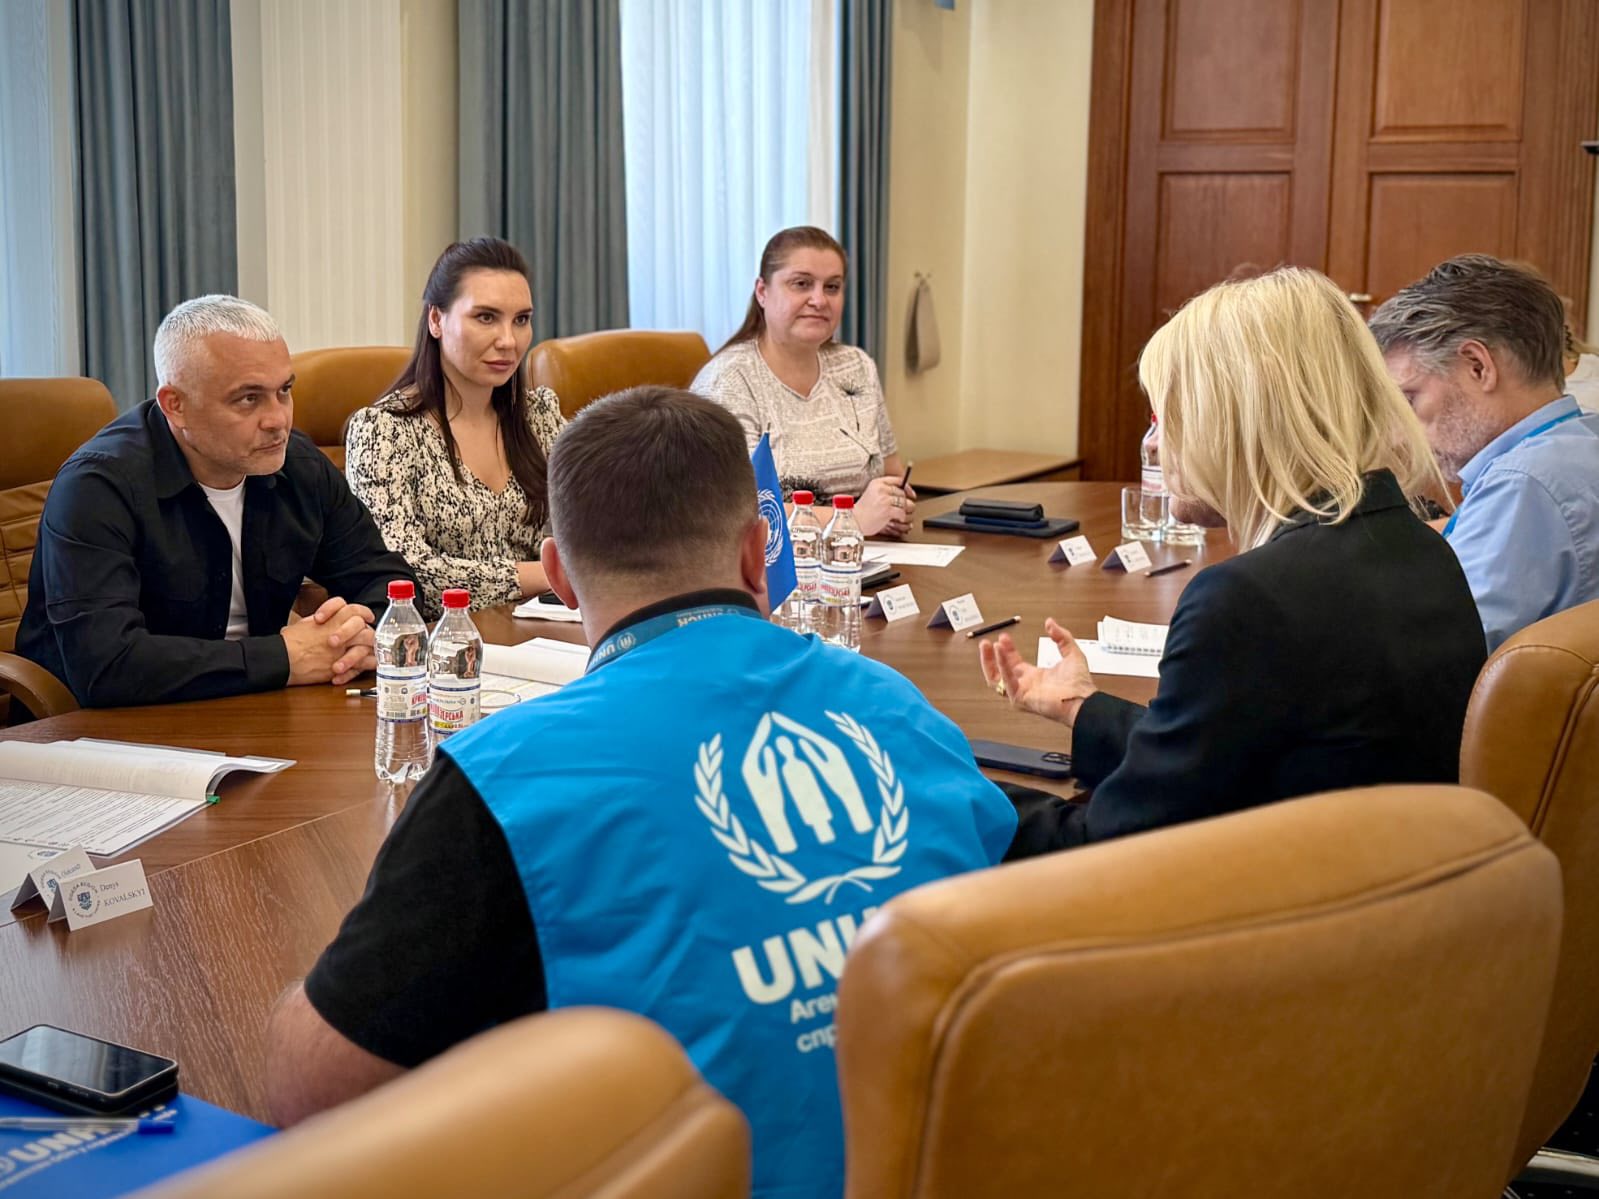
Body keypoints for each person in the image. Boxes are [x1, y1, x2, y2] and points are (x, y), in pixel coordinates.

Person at [264, 388, 1017, 1199]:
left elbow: (311, 1092)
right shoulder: (898, 708)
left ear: (559, 573)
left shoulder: (504, 777)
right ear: (757, 552)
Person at [980, 268, 1486, 854]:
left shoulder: (1249, 600)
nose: (1153, 444)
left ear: (1235, 417)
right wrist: (1077, 706)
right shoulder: (1416, 546)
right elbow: (1225, 755)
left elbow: (1117, 845)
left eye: (1166, 416)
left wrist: (940, 795)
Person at [16, 296, 414, 710]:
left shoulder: (298, 465)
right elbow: (106, 665)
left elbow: (388, 582)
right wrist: (284, 658)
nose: (278, 419)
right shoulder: (97, 486)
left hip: (254, 704)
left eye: (284, 391)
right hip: (106, 726)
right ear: (176, 405)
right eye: (248, 399)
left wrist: (356, 639)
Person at [1370, 254, 1599, 649]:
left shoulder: (1523, 484)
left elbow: (1434, 653)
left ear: (1478, 366)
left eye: (1411, 398)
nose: (1399, 436)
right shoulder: (1581, 441)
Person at [344, 238, 565, 618]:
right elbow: (406, 576)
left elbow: (595, 527)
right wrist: (548, 574)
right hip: (440, 640)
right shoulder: (383, 431)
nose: (508, 341)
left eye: (521, 320)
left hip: (543, 633)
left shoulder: (539, 414)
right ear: (436, 320)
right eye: (486, 318)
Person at [692, 226, 915, 537]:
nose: (819, 300)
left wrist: (894, 504)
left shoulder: (856, 366)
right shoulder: (728, 380)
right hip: (766, 559)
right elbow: (732, 509)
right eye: (801, 284)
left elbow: (891, 470)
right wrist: (853, 519)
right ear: (762, 292)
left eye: (832, 287)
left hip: (860, 552)